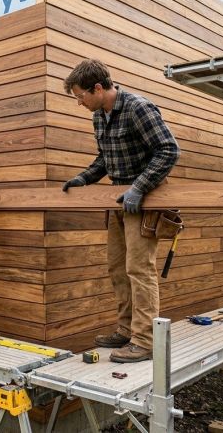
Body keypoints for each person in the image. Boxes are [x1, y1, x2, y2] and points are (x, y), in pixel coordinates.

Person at [62, 59, 180, 363]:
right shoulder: (99, 116)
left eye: (81, 96)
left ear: (98, 88)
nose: (80, 103)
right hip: (117, 198)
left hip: (145, 198)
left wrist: (139, 188)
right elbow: (105, 158)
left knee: (140, 269)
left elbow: (168, 149)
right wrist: (84, 178)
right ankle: (126, 330)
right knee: (117, 267)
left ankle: (145, 340)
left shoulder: (139, 107)